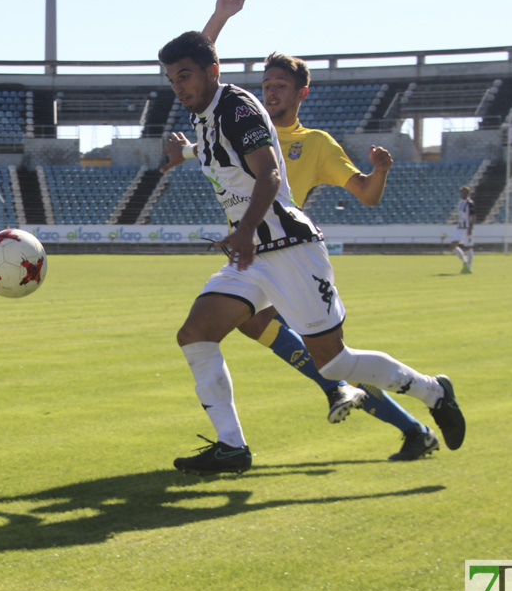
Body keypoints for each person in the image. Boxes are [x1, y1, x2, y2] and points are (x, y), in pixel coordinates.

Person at [157, 31, 464, 476]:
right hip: (252, 258)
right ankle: (232, 447)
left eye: (185, 75)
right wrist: (179, 153)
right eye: (171, 79)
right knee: (195, 334)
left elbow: (269, 173)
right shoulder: (207, 116)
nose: (178, 86)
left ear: (212, 72)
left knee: (334, 361)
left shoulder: (236, 107)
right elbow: (214, 149)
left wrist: (243, 232)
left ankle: (434, 392)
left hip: (291, 250)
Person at [451, 185, 475, 274]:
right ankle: (464, 262)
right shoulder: (460, 203)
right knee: (453, 246)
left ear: (468, 193)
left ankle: (469, 267)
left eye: (464, 192)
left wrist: (470, 229)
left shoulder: (470, 203)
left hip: (467, 228)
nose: (462, 193)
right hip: (460, 228)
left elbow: (473, 216)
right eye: (461, 192)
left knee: (468, 248)